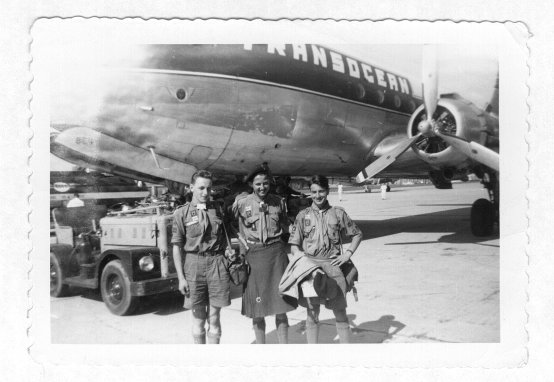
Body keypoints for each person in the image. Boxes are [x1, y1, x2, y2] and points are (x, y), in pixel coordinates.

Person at [289, 175, 363, 344]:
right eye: (314, 192)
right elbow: (294, 244)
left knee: (340, 312)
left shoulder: (338, 213)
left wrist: (348, 254)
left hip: (333, 268)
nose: (317, 196)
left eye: (321, 191)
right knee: (312, 314)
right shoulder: (303, 215)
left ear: (328, 191)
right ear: (310, 193)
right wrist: (303, 262)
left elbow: (357, 234)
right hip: (311, 271)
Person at [232, 167, 297, 344]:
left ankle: (283, 347)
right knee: (257, 311)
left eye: (266, 183)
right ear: (251, 184)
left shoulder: (279, 202)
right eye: (258, 184)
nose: (262, 187)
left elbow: (285, 223)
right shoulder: (241, 203)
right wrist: (241, 252)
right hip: (254, 257)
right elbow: (235, 227)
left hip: (276, 255)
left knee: (281, 307)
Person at [171, 170, 232, 344]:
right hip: (193, 264)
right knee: (198, 319)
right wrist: (181, 278)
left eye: (209, 188)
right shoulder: (181, 213)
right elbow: (176, 247)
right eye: (201, 188)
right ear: (191, 188)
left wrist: (228, 253)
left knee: (214, 318)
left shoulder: (218, 209)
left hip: (216, 263)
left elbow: (226, 236)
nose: (205, 193)